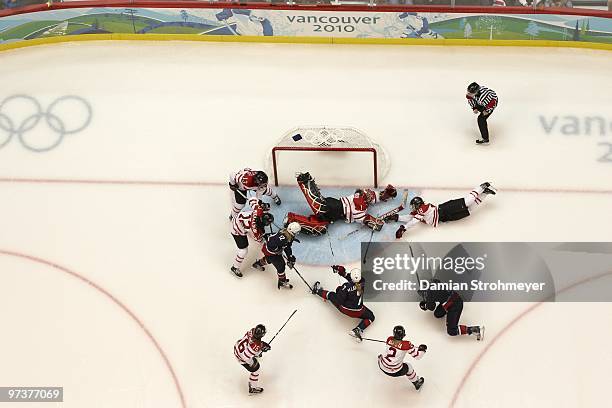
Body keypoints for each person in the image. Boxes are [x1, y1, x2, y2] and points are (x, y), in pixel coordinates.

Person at [284, 172, 396, 235]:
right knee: (319, 206)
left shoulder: (364, 207)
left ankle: (291, 220)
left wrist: (376, 222)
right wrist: (373, 222)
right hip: (335, 206)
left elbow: (368, 217)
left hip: (335, 216)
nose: (369, 196)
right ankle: (305, 181)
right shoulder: (361, 197)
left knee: (320, 228)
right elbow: (362, 201)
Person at [385, 182, 496, 238]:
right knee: (469, 211)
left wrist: (404, 228)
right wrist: (397, 218)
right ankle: (485, 193)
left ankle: (481, 187)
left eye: (414, 206)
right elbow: (411, 218)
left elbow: (413, 221)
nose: (413, 209)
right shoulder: (419, 213)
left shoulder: (423, 208)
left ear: (417, 205)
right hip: (444, 217)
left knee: (467, 202)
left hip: (444, 210)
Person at [311, 265, 375, 341]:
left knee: (332, 295)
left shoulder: (346, 286)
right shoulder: (362, 281)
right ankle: (357, 330)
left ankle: (316, 290)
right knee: (371, 316)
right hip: (359, 310)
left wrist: (339, 289)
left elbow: (339, 300)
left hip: (346, 310)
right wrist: (341, 272)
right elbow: (352, 281)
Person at [420, 279, 484, 340]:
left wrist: (424, 305)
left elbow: (431, 307)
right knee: (437, 314)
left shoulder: (429, 293)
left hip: (455, 306)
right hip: (457, 299)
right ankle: (449, 311)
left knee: (451, 331)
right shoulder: (436, 282)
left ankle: (475, 330)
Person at [230, 197, 274, 277]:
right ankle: (235, 267)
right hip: (237, 229)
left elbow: (252, 199)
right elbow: (258, 240)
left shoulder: (258, 211)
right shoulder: (255, 230)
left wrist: (260, 204)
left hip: (239, 218)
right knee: (243, 250)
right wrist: (266, 240)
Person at [252, 222, 301, 290]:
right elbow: (270, 243)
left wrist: (290, 256)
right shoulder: (283, 238)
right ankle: (282, 281)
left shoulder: (288, 235)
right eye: (297, 232)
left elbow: (287, 247)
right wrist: (277, 250)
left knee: (270, 260)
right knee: (281, 265)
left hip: (271, 251)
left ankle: (258, 264)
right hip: (269, 251)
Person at [378, 325, 426, 390]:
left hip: (381, 365)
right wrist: (422, 350)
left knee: (382, 356)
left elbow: (394, 344)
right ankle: (416, 382)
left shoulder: (389, 339)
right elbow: (418, 356)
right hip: (394, 371)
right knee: (409, 366)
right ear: (403, 334)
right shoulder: (406, 345)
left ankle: (381, 360)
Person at [233, 324, 271, 395]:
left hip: (237, 347)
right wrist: (259, 349)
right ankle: (253, 388)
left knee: (253, 352)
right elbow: (245, 357)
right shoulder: (255, 346)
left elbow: (254, 342)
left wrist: (260, 346)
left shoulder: (252, 330)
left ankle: (255, 353)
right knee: (256, 369)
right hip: (241, 356)